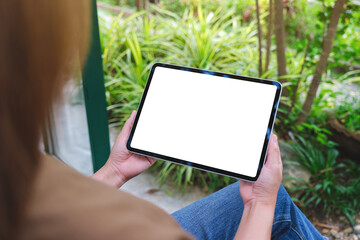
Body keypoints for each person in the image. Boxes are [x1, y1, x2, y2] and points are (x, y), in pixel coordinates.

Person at [0, 1, 326, 239]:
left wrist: (114, 171)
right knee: (274, 202)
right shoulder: (137, 228)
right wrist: (260, 203)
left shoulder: (20, 178)